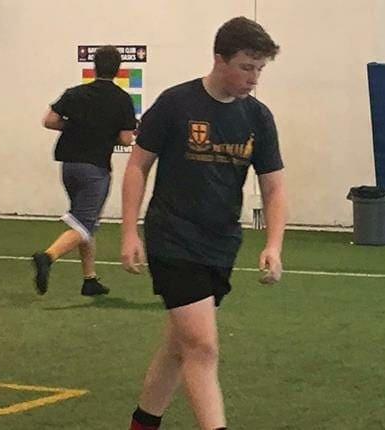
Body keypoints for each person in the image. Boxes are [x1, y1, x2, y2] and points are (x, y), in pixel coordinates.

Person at [121, 17, 285, 430]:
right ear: (219, 59)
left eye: (260, 69)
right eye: (247, 67)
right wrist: (128, 231)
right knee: (203, 347)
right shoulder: (176, 104)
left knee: (178, 346)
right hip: (173, 237)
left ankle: (142, 424)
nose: (254, 78)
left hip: (221, 243)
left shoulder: (258, 117)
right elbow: (137, 166)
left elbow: (274, 187)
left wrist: (273, 245)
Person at [29, 46, 138, 296]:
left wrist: (75, 128)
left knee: (84, 221)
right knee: (84, 223)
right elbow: (124, 139)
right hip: (95, 168)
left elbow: (50, 121)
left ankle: (90, 279)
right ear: (118, 70)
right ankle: (48, 256)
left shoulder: (75, 94)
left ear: (95, 67)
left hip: (69, 166)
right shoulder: (121, 99)